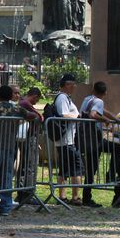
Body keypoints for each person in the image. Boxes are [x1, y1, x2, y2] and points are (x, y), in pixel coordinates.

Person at [0, 85, 33, 216]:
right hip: (9, 146)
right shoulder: (17, 109)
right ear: (11, 96)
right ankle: (5, 207)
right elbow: (32, 116)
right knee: (6, 177)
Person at [78, 81, 116, 207]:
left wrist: (115, 119)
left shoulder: (88, 99)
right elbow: (93, 114)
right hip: (93, 138)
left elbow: (102, 111)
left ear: (94, 89)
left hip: (85, 137)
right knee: (92, 168)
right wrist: (106, 120)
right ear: (105, 92)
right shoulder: (98, 101)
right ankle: (87, 197)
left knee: (90, 168)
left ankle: (86, 196)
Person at [52, 75, 84, 205]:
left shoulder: (65, 97)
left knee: (65, 169)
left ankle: (62, 197)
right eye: (72, 84)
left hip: (67, 140)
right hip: (66, 140)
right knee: (77, 168)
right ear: (66, 84)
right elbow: (63, 115)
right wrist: (78, 116)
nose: (74, 86)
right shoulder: (62, 98)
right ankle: (75, 197)